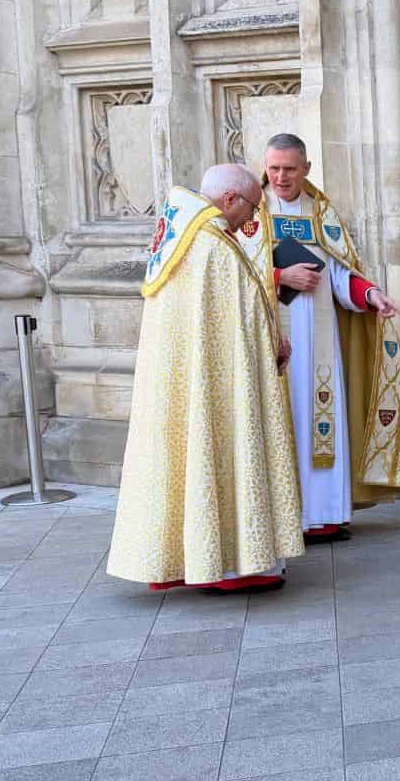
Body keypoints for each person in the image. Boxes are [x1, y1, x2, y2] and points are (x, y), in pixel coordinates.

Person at [106, 164, 303, 595]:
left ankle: (195, 556)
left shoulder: (182, 235)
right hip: (221, 386)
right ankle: (235, 563)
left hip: (186, 381)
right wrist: (274, 345)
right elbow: (242, 316)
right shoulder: (211, 245)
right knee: (224, 452)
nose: (251, 221)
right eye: (251, 209)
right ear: (230, 199)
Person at [231, 133, 400, 545]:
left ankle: (323, 515)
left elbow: (341, 273)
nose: (281, 177)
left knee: (320, 422)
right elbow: (233, 273)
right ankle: (282, 519)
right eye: (273, 169)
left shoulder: (320, 211)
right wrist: (279, 276)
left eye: (290, 169)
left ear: (306, 168)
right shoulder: (254, 211)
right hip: (273, 337)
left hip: (322, 340)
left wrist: (370, 294)